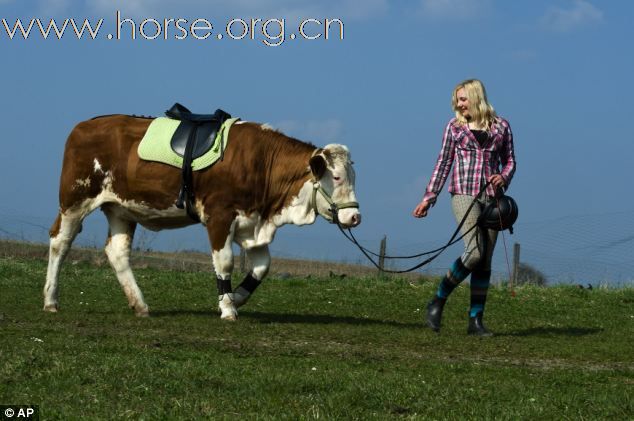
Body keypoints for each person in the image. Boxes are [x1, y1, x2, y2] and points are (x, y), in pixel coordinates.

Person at [412, 79, 516, 336]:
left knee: (485, 261)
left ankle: (475, 321)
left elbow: (511, 160)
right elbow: (443, 162)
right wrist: (429, 197)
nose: (458, 104)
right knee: (475, 252)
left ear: (475, 96)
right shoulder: (454, 127)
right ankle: (438, 299)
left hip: (492, 198)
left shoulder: (502, 126)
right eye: (457, 100)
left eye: (462, 99)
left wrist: (503, 177)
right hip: (463, 194)